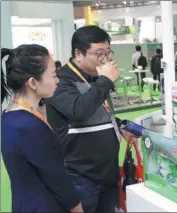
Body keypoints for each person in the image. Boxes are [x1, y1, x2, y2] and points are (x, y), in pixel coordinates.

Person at [45, 25, 133, 213]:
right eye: (99, 54)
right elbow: (79, 110)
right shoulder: (61, 81)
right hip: (80, 176)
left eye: (108, 53)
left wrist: (118, 125)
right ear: (79, 53)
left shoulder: (96, 78)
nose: (105, 59)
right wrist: (106, 81)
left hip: (107, 172)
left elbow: (99, 111)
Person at [1, 45, 83, 212]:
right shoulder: (29, 127)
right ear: (32, 82)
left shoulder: (9, 117)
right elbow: (58, 180)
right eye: (53, 75)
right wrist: (78, 209)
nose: (57, 80)